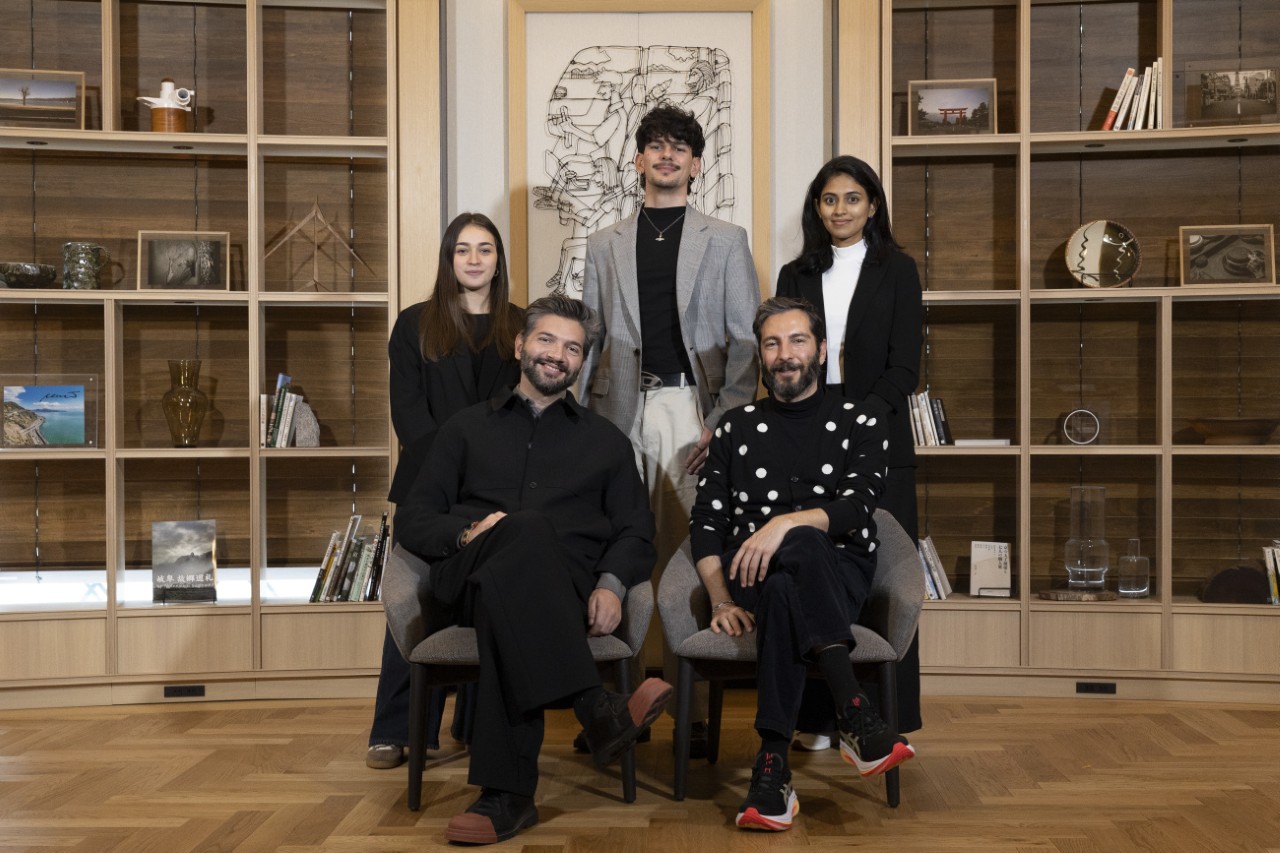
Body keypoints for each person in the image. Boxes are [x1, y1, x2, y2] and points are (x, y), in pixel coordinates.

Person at [395, 295, 671, 845]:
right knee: (523, 531)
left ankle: (507, 798)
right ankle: (595, 706)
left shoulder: (607, 443)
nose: (557, 355)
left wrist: (613, 584)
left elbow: (637, 531)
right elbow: (414, 520)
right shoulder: (464, 429)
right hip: (468, 581)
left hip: (564, 593)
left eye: (572, 348)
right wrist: (467, 533)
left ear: (582, 363)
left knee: (511, 604)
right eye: (546, 340)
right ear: (521, 345)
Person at [689, 297, 916, 832]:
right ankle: (855, 713)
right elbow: (706, 523)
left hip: (840, 576)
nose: (784, 354)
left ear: (822, 350)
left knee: (795, 566)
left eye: (796, 341)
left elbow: (859, 505)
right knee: (786, 571)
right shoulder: (735, 427)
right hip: (749, 574)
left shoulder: (861, 419)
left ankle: (772, 767)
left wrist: (783, 524)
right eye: (771, 344)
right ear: (761, 356)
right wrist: (719, 599)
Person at [580, 103, 760, 751]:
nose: (666, 155)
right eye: (655, 145)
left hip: (694, 412)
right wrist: (582, 425)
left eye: (679, 147)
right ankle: (620, 707)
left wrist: (723, 422)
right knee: (621, 551)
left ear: (696, 164)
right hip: (620, 413)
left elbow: (747, 343)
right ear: (637, 160)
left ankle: (695, 714)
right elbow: (591, 339)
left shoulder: (726, 239)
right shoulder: (603, 243)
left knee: (690, 554)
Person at [366, 212, 524, 770]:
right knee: (413, 601)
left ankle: (475, 724)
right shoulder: (415, 324)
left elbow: (524, 410)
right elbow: (409, 415)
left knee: (490, 600)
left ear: (498, 260)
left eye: (485, 249)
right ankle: (396, 729)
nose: (474, 259)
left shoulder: (521, 325)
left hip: (498, 490)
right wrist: (454, 474)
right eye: (462, 249)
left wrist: (486, 477)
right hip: (427, 491)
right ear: (448, 259)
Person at [774, 154, 925, 737]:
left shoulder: (898, 269)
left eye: (853, 198)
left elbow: (905, 366)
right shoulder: (795, 274)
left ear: (873, 205)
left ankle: (886, 715)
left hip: (878, 429)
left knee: (884, 572)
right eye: (830, 199)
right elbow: (784, 354)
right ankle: (819, 717)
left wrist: (856, 419)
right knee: (817, 566)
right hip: (807, 429)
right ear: (817, 207)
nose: (841, 209)